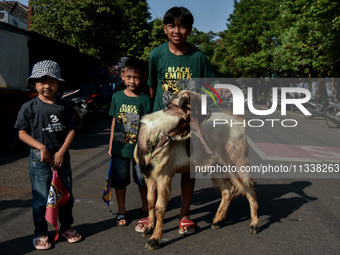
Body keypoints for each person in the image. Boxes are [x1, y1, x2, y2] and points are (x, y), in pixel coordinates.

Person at [135, 6, 216, 235]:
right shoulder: (157, 55)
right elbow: (152, 87)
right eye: (172, 25)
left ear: (190, 29)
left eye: (182, 26)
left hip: (190, 126)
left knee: (188, 169)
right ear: (165, 28)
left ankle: (184, 215)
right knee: (154, 170)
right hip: (162, 125)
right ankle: (150, 213)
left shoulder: (198, 57)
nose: (177, 30)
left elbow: (208, 88)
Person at [15, 60, 82, 250]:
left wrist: (61, 152)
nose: (47, 86)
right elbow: (21, 132)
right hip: (39, 160)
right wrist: (41, 148)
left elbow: (71, 130)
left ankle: (67, 227)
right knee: (41, 198)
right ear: (34, 84)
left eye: (52, 82)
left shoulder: (64, 106)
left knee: (65, 196)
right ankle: (40, 232)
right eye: (42, 82)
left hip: (62, 159)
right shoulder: (29, 107)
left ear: (58, 84)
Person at [108, 58, 152, 226]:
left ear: (143, 78)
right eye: (129, 77)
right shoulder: (116, 97)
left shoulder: (145, 100)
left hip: (139, 150)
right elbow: (114, 121)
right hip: (120, 149)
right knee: (120, 181)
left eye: (136, 77)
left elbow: (148, 126)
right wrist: (111, 143)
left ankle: (145, 206)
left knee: (142, 180)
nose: (132, 81)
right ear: (122, 76)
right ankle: (121, 211)